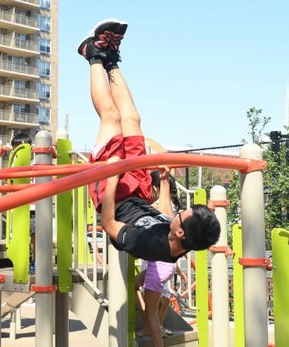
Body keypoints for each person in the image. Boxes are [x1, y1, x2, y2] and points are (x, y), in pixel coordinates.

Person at [78, 19, 221, 263]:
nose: (179, 212)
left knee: (111, 118)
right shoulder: (186, 238)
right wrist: (164, 180)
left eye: (182, 215)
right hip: (140, 191)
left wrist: (112, 179)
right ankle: (111, 59)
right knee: (133, 118)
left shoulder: (143, 243)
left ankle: (92, 53)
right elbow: (165, 213)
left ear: (179, 232)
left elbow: (108, 222)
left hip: (116, 195)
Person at [135, 169, 183, 346]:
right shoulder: (172, 207)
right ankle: (154, 326)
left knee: (152, 312)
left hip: (157, 265)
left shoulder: (156, 207)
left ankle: (152, 330)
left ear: (154, 189)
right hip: (165, 264)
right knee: (154, 293)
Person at [10, 132, 36, 271]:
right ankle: (22, 259)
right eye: (15, 149)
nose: (17, 152)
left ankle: (34, 260)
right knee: (21, 234)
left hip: (33, 207)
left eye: (20, 149)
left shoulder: (35, 162)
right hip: (19, 207)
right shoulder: (14, 165)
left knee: (34, 236)